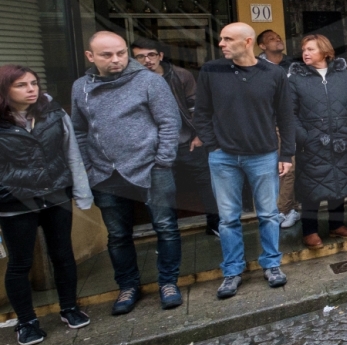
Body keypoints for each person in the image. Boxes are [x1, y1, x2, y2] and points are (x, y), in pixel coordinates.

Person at [72, 32, 182, 314]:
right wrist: (87, 165)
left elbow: (170, 122)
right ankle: (128, 286)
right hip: (105, 173)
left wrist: (163, 160)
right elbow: (79, 130)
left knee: (166, 227)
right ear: (90, 57)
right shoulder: (80, 87)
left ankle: (168, 283)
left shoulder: (149, 81)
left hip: (153, 167)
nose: (116, 59)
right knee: (118, 235)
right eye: (107, 55)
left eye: (121, 53)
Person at [194, 23, 295, 299]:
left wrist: (286, 153)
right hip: (223, 157)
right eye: (221, 39)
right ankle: (232, 271)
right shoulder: (211, 71)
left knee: (268, 215)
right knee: (227, 219)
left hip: (263, 155)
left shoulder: (274, 73)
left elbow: (286, 116)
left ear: (248, 42)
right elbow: (200, 113)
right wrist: (213, 146)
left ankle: (272, 265)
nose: (222, 44)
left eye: (228, 39)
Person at [0, 66, 92, 345]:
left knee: (63, 254)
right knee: (20, 263)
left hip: (56, 194)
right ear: (5, 91)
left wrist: (81, 191)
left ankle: (69, 308)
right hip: (15, 200)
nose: (31, 89)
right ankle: (26, 322)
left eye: (34, 83)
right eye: (21, 85)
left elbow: (71, 151)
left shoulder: (52, 112)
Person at [131, 37, 220, 237]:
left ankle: (215, 225)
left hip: (187, 142)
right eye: (140, 56)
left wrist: (199, 135)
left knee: (207, 183)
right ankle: (168, 235)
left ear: (160, 55)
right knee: (162, 192)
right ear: (133, 59)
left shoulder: (180, 75)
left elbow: (197, 107)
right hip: (154, 147)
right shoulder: (132, 82)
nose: (147, 60)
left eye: (152, 55)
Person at [285, 34, 347, 250]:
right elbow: (289, 113)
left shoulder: (344, 75)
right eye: (304, 49)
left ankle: (336, 225)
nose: (305, 53)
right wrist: (304, 136)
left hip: (341, 140)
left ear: (325, 52)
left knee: (338, 183)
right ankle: (309, 231)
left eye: (311, 49)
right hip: (312, 143)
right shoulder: (296, 79)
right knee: (312, 188)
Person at [257, 30, 300, 228]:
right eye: (271, 39)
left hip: (293, 121)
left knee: (290, 169)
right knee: (274, 169)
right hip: (265, 124)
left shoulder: (293, 65)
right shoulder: (256, 67)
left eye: (278, 37)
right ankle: (281, 209)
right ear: (262, 46)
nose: (278, 40)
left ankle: (286, 210)